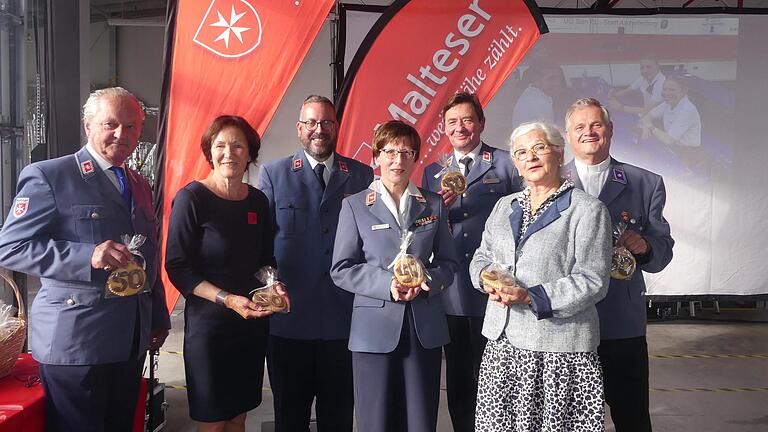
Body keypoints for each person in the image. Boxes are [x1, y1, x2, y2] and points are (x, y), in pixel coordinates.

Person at [0, 87, 170, 432]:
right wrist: (86, 255)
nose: (122, 134)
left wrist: (157, 316)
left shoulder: (138, 183)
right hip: (78, 342)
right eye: (111, 124)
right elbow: (12, 246)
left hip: (130, 339)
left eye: (132, 127)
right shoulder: (50, 176)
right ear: (88, 124)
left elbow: (147, 254)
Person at [470, 120, 612, 432]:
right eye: (521, 153)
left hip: (559, 352)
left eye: (539, 148)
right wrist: (485, 277)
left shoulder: (588, 210)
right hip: (502, 347)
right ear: (516, 164)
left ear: (559, 154)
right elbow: (482, 254)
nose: (530, 157)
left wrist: (530, 296)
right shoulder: (503, 206)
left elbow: (594, 280)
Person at [331, 120, 458, 432]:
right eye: (390, 152)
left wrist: (426, 281)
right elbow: (342, 269)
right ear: (376, 157)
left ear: (416, 158)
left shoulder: (433, 204)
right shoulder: (355, 206)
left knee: (419, 420)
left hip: (422, 326)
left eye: (406, 152)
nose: (398, 160)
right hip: (373, 330)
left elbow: (449, 263)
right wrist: (387, 284)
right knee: (376, 421)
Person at [165, 116, 289, 431]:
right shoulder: (192, 199)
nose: (229, 153)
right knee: (213, 421)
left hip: (250, 327)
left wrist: (274, 287)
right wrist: (226, 299)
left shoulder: (258, 201)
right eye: (220, 146)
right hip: (209, 331)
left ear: (250, 153)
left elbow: (265, 260)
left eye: (237, 146)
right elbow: (177, 267)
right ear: (209, 151)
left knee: (238, 417)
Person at [258, 95, 373, 432]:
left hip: (344, 321)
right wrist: (268, 284)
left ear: (337, 127)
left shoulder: (362, 175)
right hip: (289, 322)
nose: (319, 130)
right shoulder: (274, 174)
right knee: (289, 419)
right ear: (299, 128)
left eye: (326, 122)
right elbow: (261, 244)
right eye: (311, 122)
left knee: (338, 418)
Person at [564, 98, 674, 432]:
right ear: (567, 135)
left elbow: (663, 248)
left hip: (621, 323)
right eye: (580, 127)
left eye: (596, 125)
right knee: (569, 420)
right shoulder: (547, 182)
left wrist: (645, 247)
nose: (589, 132)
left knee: (632, 417)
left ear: (610, 130)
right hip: (566, 323)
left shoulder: (645, 183)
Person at [421, 92, 521, 432]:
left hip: (497, 289)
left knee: (498, 379)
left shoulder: (507, 163)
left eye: (466, 120)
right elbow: (424, 229)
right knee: (461, 379)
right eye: (452, 122)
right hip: (452, 291)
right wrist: (438, 209)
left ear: (481, 123)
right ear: (444, 129)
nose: (460, 128)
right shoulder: (433, 172)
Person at [640, 75, 702, 151]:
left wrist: (650, 126)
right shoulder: (669, 102)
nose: (667, 93)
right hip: (674, 146)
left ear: (683, 92)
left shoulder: (687, 110)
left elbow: (669, 140)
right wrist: (645, 128)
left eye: (672, 90)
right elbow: (648, 115)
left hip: (687, 151)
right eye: (664, 89)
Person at [511, 61, 569, 129]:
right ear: (536, 81)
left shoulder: (532, 95)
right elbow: (548, 132)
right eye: (551, 78)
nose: (557, 82)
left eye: (559, 78)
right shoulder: (538, 100)